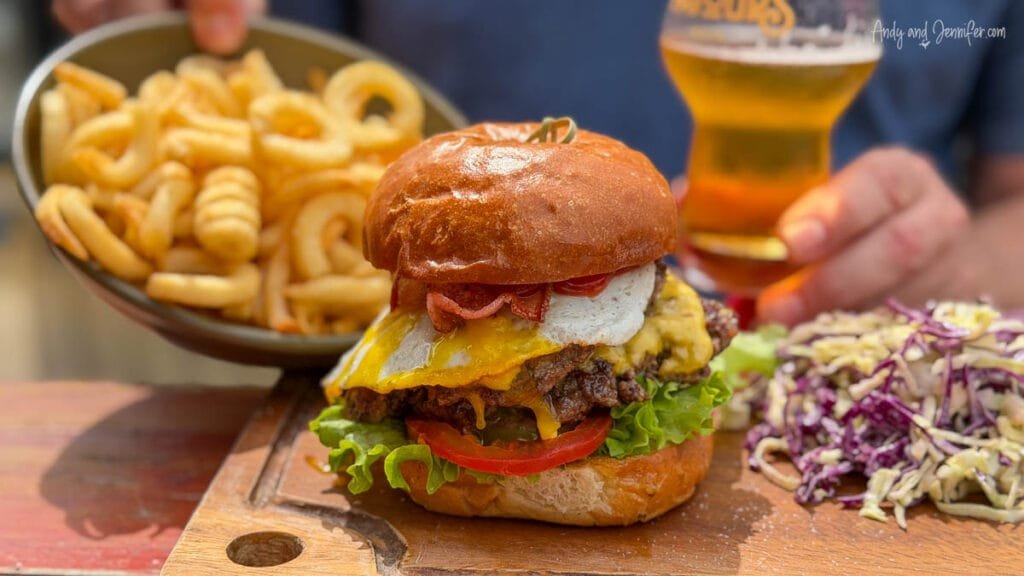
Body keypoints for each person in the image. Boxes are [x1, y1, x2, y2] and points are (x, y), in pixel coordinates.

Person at [50, 0, 1024, 326]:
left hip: (865, 390)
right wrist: (156, 25)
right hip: (390, 340)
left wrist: (954, 275)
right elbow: (233, 62)